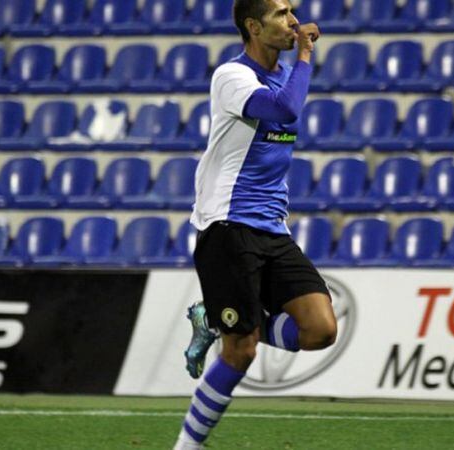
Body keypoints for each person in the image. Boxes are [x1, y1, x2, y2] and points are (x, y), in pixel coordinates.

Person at [173, 1, 336, 448]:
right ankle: (186, 446)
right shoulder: (232, 76)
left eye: (293, 12)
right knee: (240, 351)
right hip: (228, 226)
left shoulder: (285, 77)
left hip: (272, 228)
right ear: (252, 26)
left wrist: (297, 63)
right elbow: (284, 111)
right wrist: (305, 56)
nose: (293, 21)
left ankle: (216, 316)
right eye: (282, 14)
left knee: (320, 329)